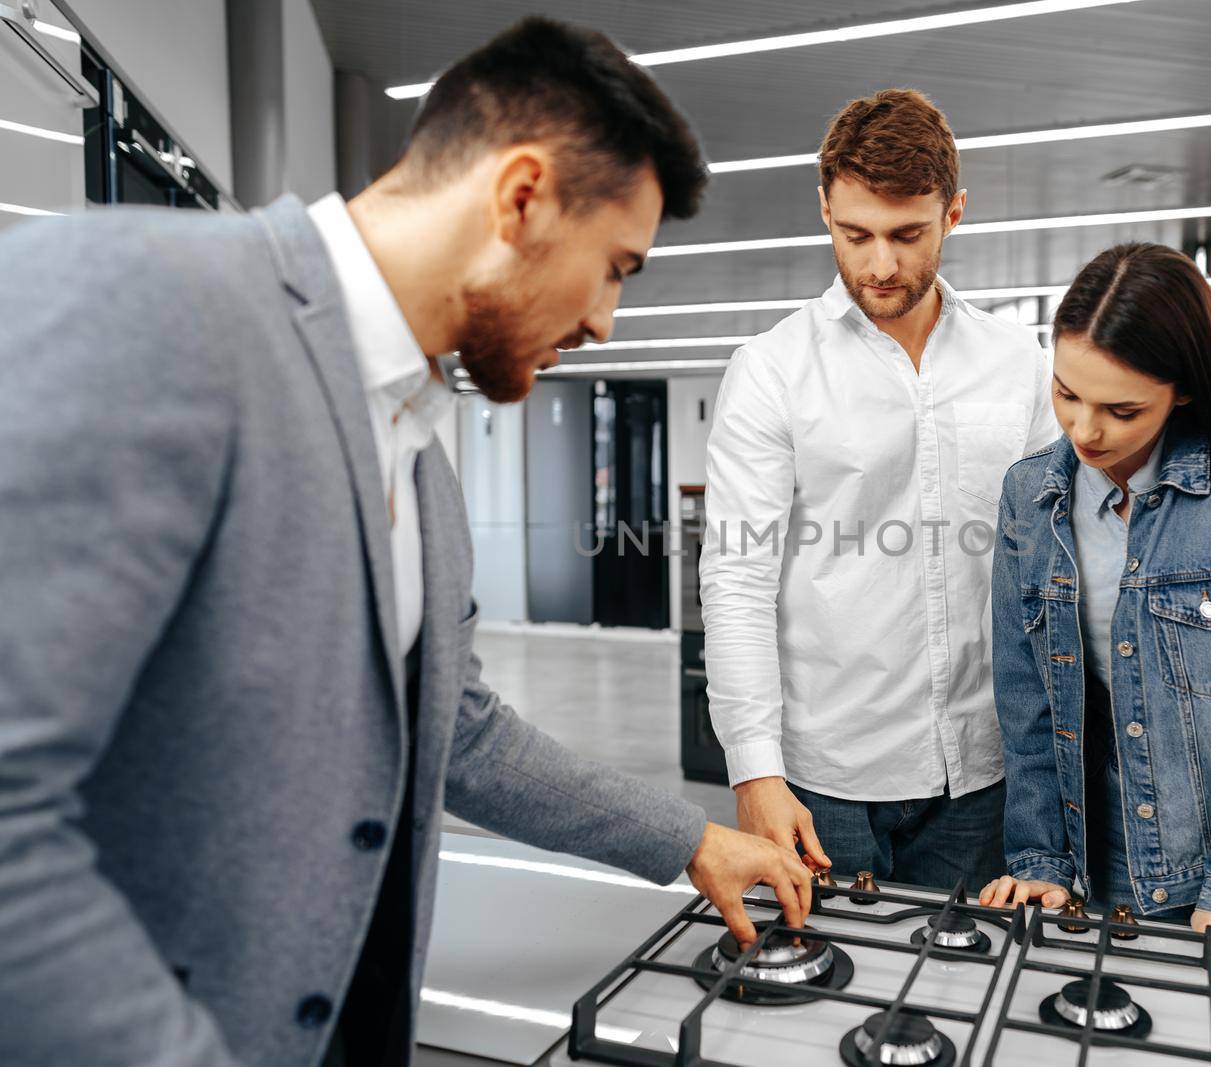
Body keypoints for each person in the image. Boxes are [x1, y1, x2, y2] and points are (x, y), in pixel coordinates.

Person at [0, 17, 812, 1066]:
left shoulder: (417, 454)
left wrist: (689, 838)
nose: (608, 320)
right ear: (519, 196)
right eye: (615, 267)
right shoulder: (152, 299)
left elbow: (458, 731)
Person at [978, 243, 1211, 1065]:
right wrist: (1041, 861)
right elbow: (1029, 705)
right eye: (1067, 393)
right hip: (1104, 867)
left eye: (1122, 410)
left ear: (1183, 387)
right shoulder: (1029, 497)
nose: (1084, 429)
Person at [700, 89, 1058, 893]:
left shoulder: (1020, 365)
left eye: (908, 234)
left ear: (955, 213)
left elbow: (1052, 573)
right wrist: (755, 770)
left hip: (984, 778)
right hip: (824, 783)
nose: (880, 264)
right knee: (824, 1009)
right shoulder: (771, 371)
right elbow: (737, 578)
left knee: (965, 1006)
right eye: (854, 233)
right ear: (823, 207)